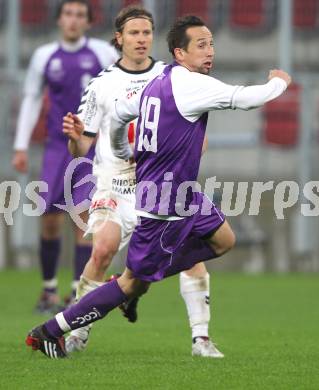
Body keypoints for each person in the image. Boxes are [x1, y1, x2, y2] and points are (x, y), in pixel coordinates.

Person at [25, 15, 291, 359]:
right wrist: (279, 82)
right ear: (180, 53)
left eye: (211, 44)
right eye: (201, 46)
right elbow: (245, 98)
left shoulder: (161, 78)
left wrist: (124, 150)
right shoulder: (188, 85)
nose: (210, 52)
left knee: (224, 239)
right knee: (129, 284)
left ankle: (179, 314)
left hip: (184, 194)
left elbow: (121, 113)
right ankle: (51, 330)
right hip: (163, 203)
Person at [62, 5, 223, 358]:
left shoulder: (173, 76)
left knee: (186, 256)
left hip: (160, 184)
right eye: (133, 33)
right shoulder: (102, 85)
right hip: (115, 183)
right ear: (119, 38)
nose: (141, 39)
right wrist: (75, 138)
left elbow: (195, 123)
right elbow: (81, 149)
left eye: (146, 32)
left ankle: (201, 339)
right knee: (103, 248)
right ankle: (77, 331)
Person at [12, 0, 118, 314]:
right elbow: (32, 99)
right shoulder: (44, 56)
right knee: (49, 217)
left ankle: (76, 292)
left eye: (80, 15)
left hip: (90, 147)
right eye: (68, 14)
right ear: (59, 20)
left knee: (83, 217)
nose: (73, 20)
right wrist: (20, 146)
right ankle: (48, 290)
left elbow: (119, 91)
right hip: (57, 147)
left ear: (88, 22)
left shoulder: (102, 53)